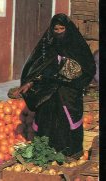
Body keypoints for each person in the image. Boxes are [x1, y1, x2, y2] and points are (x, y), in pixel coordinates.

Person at [13, 13, 96, 157]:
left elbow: (88, 68)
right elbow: (38, 67)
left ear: (67, 28)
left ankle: (71, 155)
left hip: (69, 93)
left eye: (61, 29)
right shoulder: (48, 45)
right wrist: (30, 82)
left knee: (68, 123)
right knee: (47, 123)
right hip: (49, 93)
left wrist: (74, 79)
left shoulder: (77, 46)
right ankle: (46, 155)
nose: (58, 32)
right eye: (55, 29)